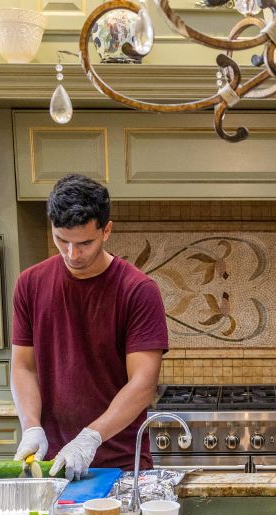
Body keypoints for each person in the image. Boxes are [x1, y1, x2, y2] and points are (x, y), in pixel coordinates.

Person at [10, 174, 169, 476]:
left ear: (106, 230)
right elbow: (24, 367)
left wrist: (90, 438)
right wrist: (31, 426)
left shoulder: (137, 290)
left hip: (120, 464)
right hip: (52, 464)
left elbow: (142, 384)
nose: (72, 254)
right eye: (62, 240)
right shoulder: (30, 284)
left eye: (85, 242)